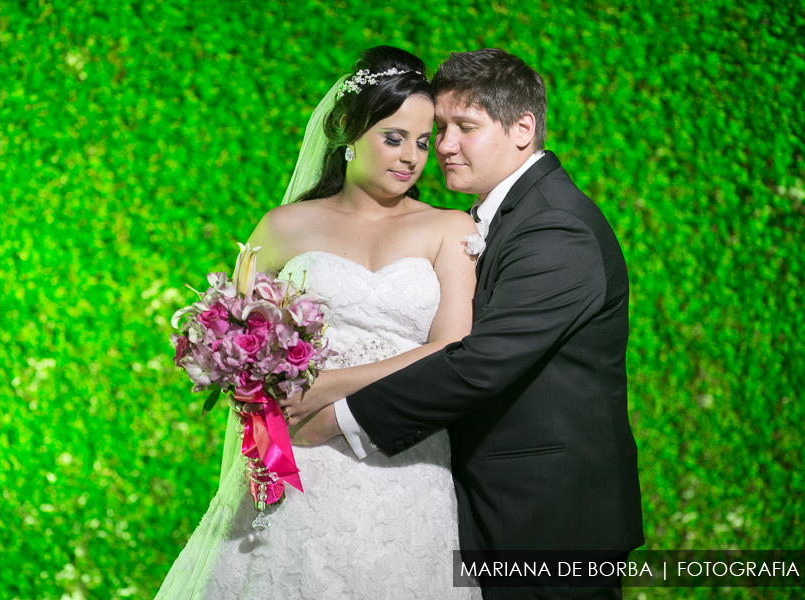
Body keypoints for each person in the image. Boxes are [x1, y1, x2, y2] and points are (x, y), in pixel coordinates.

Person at [281, 49, 646, 599]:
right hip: (469, 502)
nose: (443, 147)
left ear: (523, 128)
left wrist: (339, 415)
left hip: (548, 520)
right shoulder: (490, 218)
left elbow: (480, 361)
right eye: (439, 130)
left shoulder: (556, 227)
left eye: (463, 129)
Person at [154, 46, 482, 600]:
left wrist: (325, 385)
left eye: (424, 143)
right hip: (297, 456)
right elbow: (234, 343)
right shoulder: (286, 226)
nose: (411, 158)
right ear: (348, 133)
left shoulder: (450, 228)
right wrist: (264, 397)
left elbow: (454, 347)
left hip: (406, 464)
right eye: (394, 137)